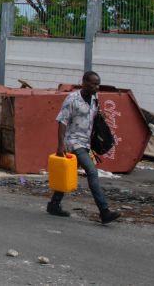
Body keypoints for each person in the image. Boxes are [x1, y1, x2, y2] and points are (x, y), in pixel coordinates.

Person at [47, 71, 121, 224]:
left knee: (69, 172)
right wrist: (60, 144)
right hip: (73, 143)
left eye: (98, 84)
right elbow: (62, 121)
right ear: (84, 82)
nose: (96, 87)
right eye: (93, 84)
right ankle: (104, 211)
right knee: (92, 172)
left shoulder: (95, 98)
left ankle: (54, 205)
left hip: (86, 142)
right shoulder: (72, 99)